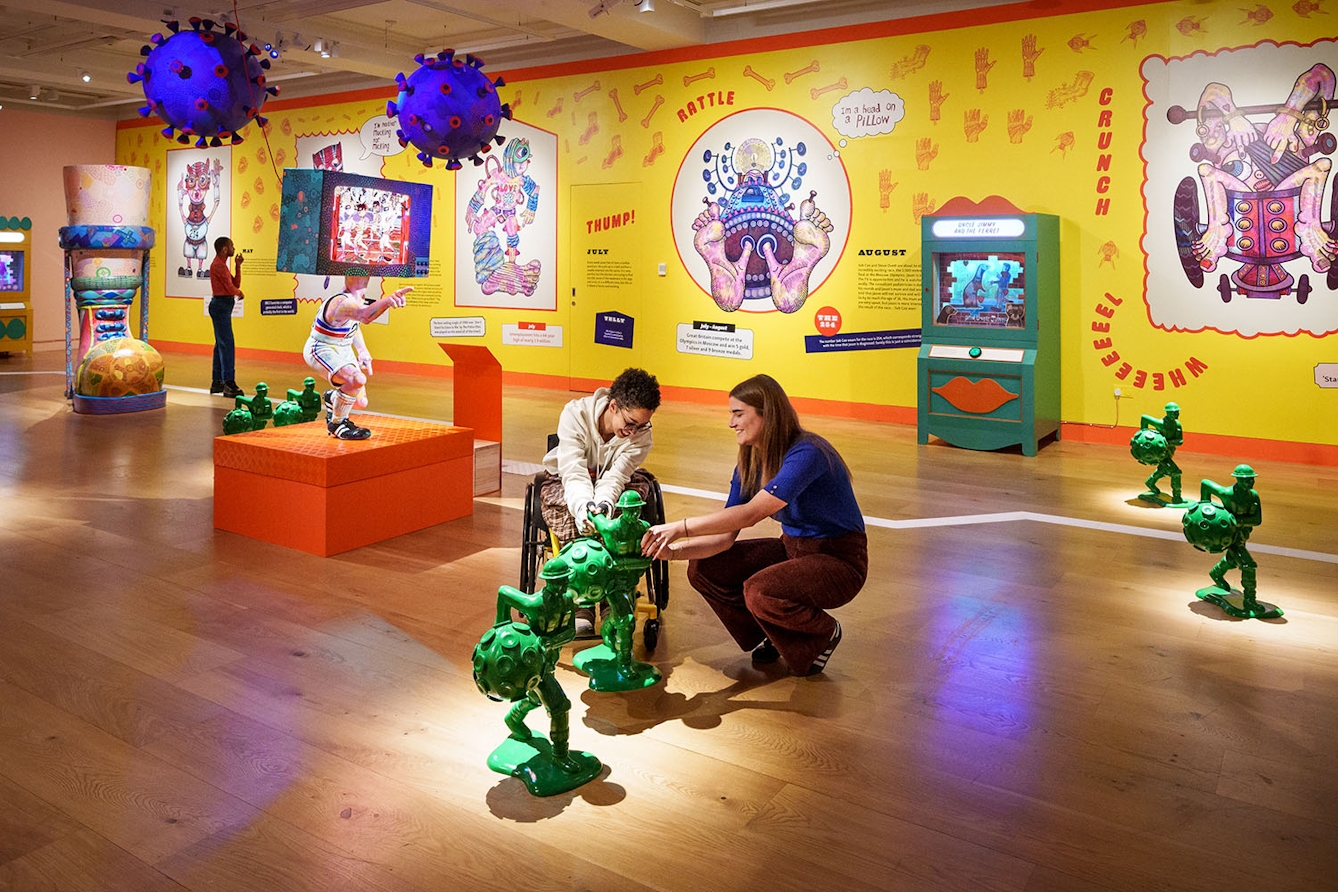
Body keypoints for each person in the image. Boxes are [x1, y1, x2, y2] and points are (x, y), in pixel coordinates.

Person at [641, 374, 866, 676]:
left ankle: (822, 634)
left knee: (759, 591)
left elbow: (750, 514)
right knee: (703, 568)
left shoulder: (808, 452)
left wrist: (680, 527)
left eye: (738, 413)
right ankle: (775, 634)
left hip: (839, 561)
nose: (731, 423)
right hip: (793, 549)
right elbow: (723, 538)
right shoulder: (749, 462)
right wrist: (671, 553)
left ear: (767, 414)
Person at [540, 367, 661, 636]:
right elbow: (573, 471)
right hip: (568, 478)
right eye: (630, 423)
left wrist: (603, 506)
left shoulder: (642, 435)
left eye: (641, 425)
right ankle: (581, 601)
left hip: (612, 483)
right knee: (568, 510)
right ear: (613, 406)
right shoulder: (575, 414)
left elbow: (616, 478)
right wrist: (584, 508)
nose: (633, 432)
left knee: (624, 514)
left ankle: (612, 598)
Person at [302, 275, 412, 440]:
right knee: (356, 379)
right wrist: (389, 300)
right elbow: (364, 316)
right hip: (323, 347)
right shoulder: (340, 302)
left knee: (360, 403)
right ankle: (338, 424)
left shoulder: (357, 299)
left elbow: (354, 326)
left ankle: (332, 398)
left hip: (343, 347)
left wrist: (362, 350)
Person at [208, 236, 244, 398]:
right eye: (231, 246)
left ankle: (218, 381)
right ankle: (229, 382)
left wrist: (238, 266)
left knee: (221, 343)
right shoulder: (218, 266)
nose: (233, 248)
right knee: (227, 344)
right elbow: (232, 289)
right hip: (221, 306)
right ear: (224, 249)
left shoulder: (222, 265)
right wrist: (239, 293)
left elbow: (235, 283)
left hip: (223, 306)